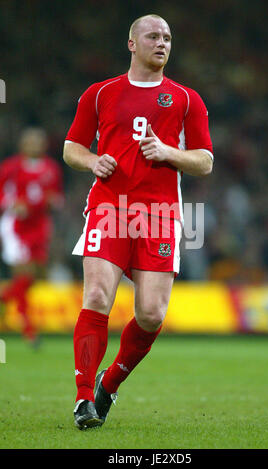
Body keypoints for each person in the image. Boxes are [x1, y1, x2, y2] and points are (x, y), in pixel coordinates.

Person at [63, 14, 214, 430]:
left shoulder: (186, 99)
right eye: (153, 36)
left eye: (167, 37)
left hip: (160, 215)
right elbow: (72, 147)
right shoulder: (100, 93)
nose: (162, 43)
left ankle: (107, 386)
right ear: (132, 44)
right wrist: (94, 160)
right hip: (109, 208)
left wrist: (169, 152)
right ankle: (82, 400)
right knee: (96, 295)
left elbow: (205, 160)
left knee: (150, 314)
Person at [0, 127, 64, 345]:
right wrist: (10, 205)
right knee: (24, 274)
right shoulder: (10, 167)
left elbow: (56, 195)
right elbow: (2, 195)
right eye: (30, 142)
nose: (35, 145)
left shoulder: (51, 168)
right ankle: (29, 331)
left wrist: (54, 202)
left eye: (38, 141)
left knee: (35, 276)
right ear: (22, 145)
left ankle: (4, 299)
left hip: (39, 226)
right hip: (16, 226)